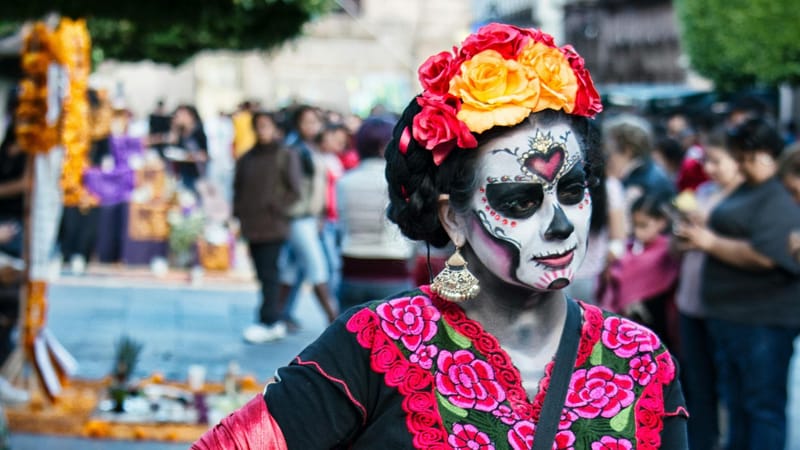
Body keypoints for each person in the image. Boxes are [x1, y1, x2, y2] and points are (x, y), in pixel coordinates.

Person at [194, 23, 688, 449]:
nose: (560, 223)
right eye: (520, 200)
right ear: (453, 218)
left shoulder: (638, 358)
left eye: (573, 189)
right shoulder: (381, 342)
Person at [676, 117, 800, 450]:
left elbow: (769, 255)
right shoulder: (751, 189)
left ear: (764, 155)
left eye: (744, 157)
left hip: (762, 321)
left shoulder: (775, 195)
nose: (741, 164)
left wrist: (711, 243)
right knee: (739, 405)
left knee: (761, 407)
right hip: (731, 317)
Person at [672, 128, 742, 450]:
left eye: (717, 161)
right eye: (708, 160)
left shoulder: (748, 199)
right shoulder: (701, 193)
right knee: (696, 383)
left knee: (730, 387)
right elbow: (677, 246)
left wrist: (708, 236)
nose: (709, 168)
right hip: (690, 301)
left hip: (726, 307)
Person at [234, 112, 302, 343]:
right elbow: (238, 190)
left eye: (266, 126)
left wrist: (277, 207)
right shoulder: (246, 159)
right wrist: (239, 215)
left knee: (270, 273)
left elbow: (295, 190)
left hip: (274, 225)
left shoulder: (285, 155)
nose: (262, 131)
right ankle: (269, 317)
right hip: (252, 224)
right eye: (259, 126)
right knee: (262, 274)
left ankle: (269, 318)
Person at [336, 117, 416, 311]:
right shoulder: (398, 181)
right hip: (392, 267)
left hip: (352, 267)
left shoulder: (345, 181)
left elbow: (342, 225)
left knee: (350, 338)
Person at [277, 106, 338, 327]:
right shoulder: (294, 150)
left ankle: (276, 316)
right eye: (307, 122)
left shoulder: (311, 148)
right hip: (298, 218)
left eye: (315, 121)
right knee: (317, 268)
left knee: (291, 271)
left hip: (310, 218)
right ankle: (333, 318)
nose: (312, 126)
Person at [598, 195, 679, 349]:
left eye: (643, 225)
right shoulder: (628, 249)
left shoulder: (666, 250)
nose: (637, 231)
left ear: (661, 223)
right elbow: (614, 280)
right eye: (634, 225)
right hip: (631, 321)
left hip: (659, 316)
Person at [603, 114, 676, 207]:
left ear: (628, 149)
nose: (607, 155)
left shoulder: (646, 180)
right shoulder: (644, 173)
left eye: (611, 148)